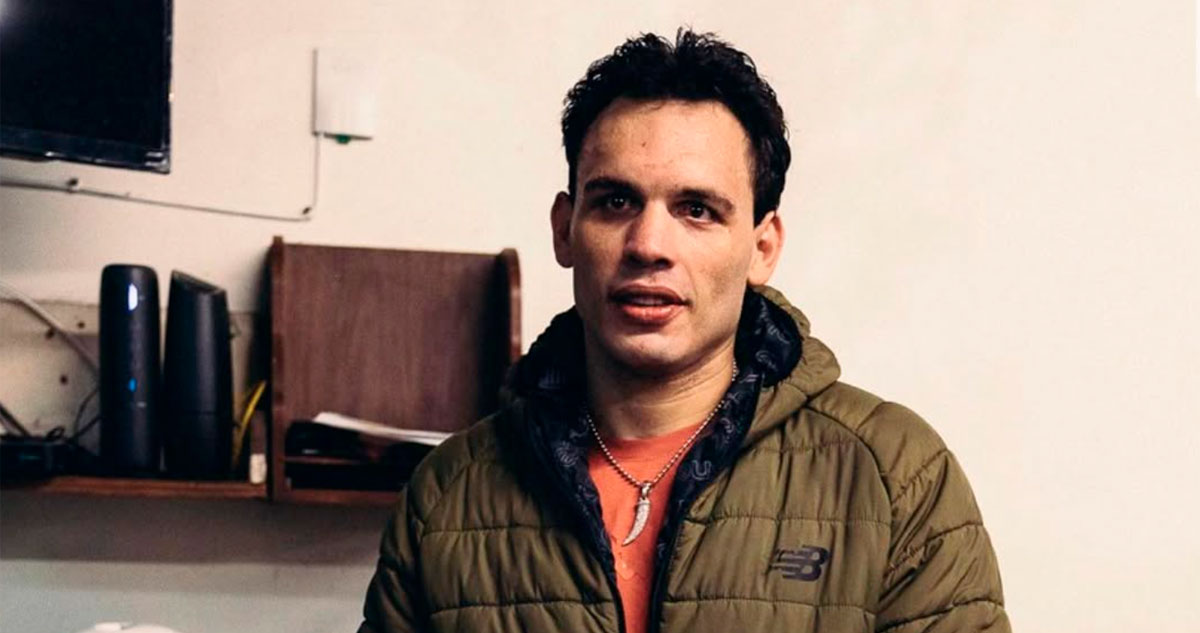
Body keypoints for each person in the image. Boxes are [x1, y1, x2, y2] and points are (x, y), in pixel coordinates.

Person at [358, 29, 1010, 633]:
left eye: (696, 209)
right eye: (616, 201)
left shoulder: (895, 475)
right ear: (564, 229)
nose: (648, 244)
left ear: (761, 247)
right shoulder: (447, 495)